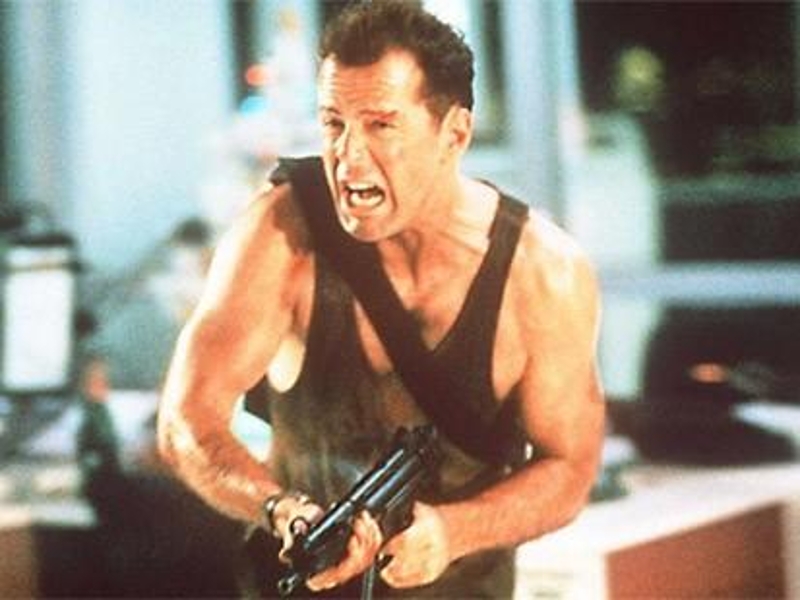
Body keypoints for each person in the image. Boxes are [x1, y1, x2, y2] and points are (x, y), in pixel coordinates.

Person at [157, 1, 605, 597]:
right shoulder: (281, 235)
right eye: (333, 123)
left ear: (454, 134)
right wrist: (277, 508)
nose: (348, 156)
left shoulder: (543, 274)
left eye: (380, 125)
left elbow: (570, 468)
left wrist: (453, 531)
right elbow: (186, 420)